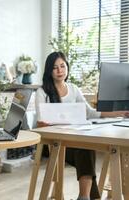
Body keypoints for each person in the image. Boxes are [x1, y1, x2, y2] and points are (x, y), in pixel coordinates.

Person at [35, 51, 129, 200]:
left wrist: (120, 113)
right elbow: (40, 121)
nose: (60, 71)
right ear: (49, 70)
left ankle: (84, 196)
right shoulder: (42, 92)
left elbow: (91, 113)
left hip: (74, 139)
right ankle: (90, 197)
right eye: (55, 67)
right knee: (85, 149)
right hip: (54, 143)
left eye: (62, 66)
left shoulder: (73, 89)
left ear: (67, 67)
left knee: (86, 147)